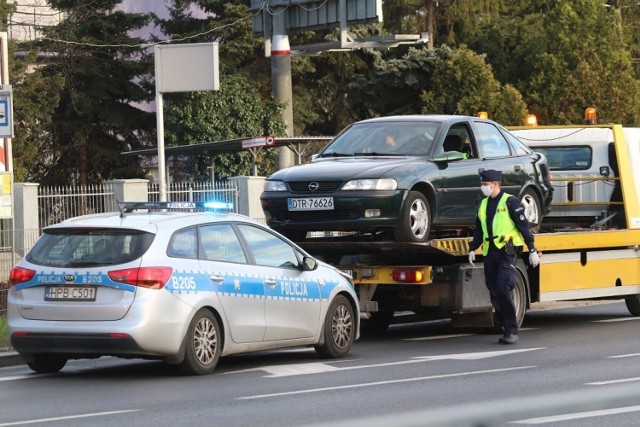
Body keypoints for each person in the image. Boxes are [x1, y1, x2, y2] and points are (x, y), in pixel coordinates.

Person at [467, 169, 540, 344]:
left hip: (506, 251)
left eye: (485, 185)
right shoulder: (483, 204)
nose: (483, 187)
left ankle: (511, 330)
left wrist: (532, 250)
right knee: (493, 291)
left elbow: (524, 227)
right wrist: (472, 248)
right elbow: (478, 230)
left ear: (495, 184)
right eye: (482, 184)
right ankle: (505, 325)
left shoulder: (510, 202)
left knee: (502, 286)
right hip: (489, 251)